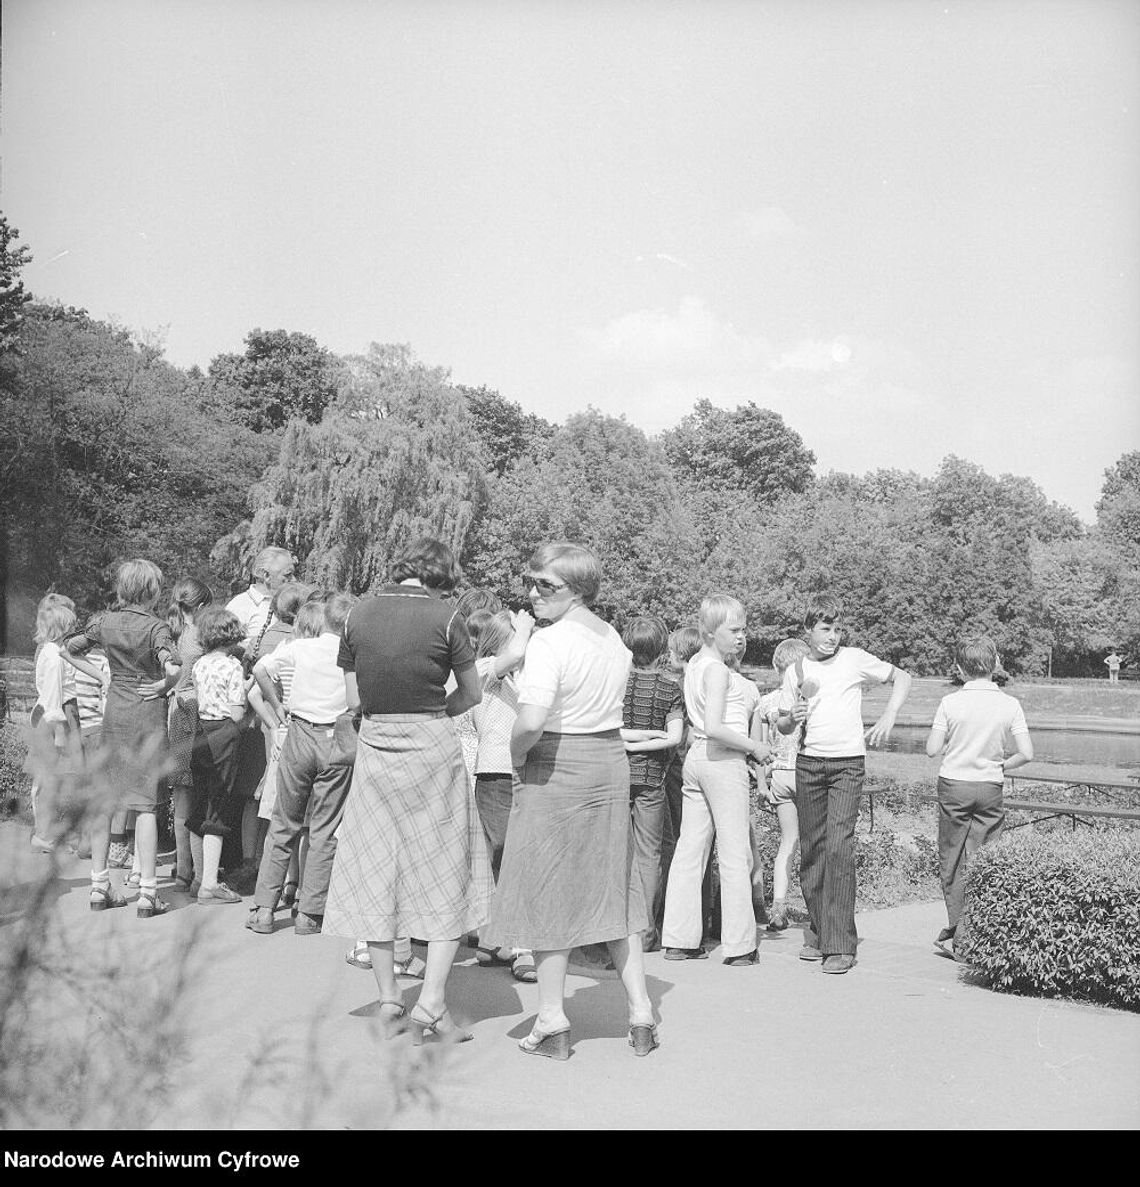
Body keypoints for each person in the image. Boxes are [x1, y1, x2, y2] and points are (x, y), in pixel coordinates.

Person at [482, 542, 658, 1061]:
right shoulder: (615, 641)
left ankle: (553, 1019)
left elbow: (532, 720)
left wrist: (515, 755)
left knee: (546, 886)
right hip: (608, 761)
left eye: (546, 586)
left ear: (577, 590)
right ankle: (642, 1012)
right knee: (614, 885)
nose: (532, 594)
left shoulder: (551, 643)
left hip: (557, 761)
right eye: (531, 582)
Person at [322, 538, 490, 1044]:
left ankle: (390, 997)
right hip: (432, 745)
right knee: (444, 866)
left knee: (376, 863)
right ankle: (432, 1004)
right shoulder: (445, 618)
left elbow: (353, 700)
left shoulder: (356, 616)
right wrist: (439, 714)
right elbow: (473, 693)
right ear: (438, 576)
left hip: (376, 744)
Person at [778, 594, 913, 974]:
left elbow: (902, 676)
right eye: (825, 629)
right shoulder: (796, 671)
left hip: (846, 766)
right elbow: (784, 725)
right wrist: (791, 716)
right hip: (808, 766)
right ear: (808, 631)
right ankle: (821, 930)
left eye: (837, 629)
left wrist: (889, 714)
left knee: (838, 847)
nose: (833, 636)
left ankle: (840, 944)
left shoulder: (854, 659)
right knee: (813, 850)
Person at [67, 561, 180, 918]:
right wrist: (164, 685)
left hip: (115, 713)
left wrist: (102, 678)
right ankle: (148, 891)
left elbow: (70, 648)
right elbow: (173, 666)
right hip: (146, 717)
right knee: (145, 804)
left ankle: (99, 885)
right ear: (152, 591)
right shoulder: (157, 628)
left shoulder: (104, 622)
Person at [662, 595, 767, 967]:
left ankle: (679, 938)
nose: (741, 637)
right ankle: (740, 944)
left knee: (691, 849)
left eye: (743, 630)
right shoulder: (719, 671)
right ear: (709, 631)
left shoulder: (695, 664)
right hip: (723, 760)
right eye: (734, 630)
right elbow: (719, 727)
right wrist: (756, 747)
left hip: (696, 759)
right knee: (736, 852)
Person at [247, 592, 357, 937]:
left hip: (300, 732)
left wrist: (277, 706)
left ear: (324, 618)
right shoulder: (354, 654)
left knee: (284, 823)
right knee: (324, 828)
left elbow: (260, 668)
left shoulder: (300, 647)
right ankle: (310, 913)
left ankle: (265, 908)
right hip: (338, 737)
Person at [925, 635, 1033, 957]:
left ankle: (960, 936)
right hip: (990, 786)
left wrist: (955, 745)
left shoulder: (950, 703)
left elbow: (932, 749)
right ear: (996, 663)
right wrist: (1001, 763)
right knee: (985, 859)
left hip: (955, 785)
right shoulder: (1010, 704)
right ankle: (983, 931)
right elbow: (1026, 753)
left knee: (953, 860)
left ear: (959, 668)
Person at [466, 606, 537, 983]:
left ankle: (498, 939)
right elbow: (514, 655)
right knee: (504, 855)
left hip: (521, 769)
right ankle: (513, 943)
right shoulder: (485, 669)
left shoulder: (520, 674)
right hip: (495, 770)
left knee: (510, 855)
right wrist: (524, 628)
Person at [185, 607, 275, 907]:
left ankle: (199, 876)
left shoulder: (199, 664)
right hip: (224, 734)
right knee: (218, 808)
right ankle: (210, 884)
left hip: (202, 732)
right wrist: (249, 684)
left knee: (202, 804)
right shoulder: (233, 667)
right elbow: (237, 712)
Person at [620, 616, 684, 951]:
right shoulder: (670, 687)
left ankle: (611, 930)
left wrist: (628, 744)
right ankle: (644, 932)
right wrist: (647, 740)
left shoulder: (615, 683)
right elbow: (674, 737)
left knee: (614, 852)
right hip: (652, 779)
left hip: (615, 774)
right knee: (649, 855)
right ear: (661, 648)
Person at [757, 637, 811, 931]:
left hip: (778, 774)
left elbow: (761, 745)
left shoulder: (767, 702)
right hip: (805, 772)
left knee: (787, 842)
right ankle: (816, 907)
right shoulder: (807, 699)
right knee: (815, 843)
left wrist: (762, 784)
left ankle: (778, 907)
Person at [26, 594, 85, 852]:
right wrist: (60, 730)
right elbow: (52, 696)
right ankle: (44, 834)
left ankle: (55, 832)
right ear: (61, 627)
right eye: (70, 626)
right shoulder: (52, 655)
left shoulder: (57, 650)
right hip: (56, 718)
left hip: (65, 713)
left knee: (62, 779)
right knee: (50, 778)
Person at [166, 577, 214, 892]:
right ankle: (197, 873)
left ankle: (183, 868)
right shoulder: (198, 636)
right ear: (198, 607)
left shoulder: (174, 633)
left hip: (175, 711)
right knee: (197, 794)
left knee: (181, 794)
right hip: (193, 711)